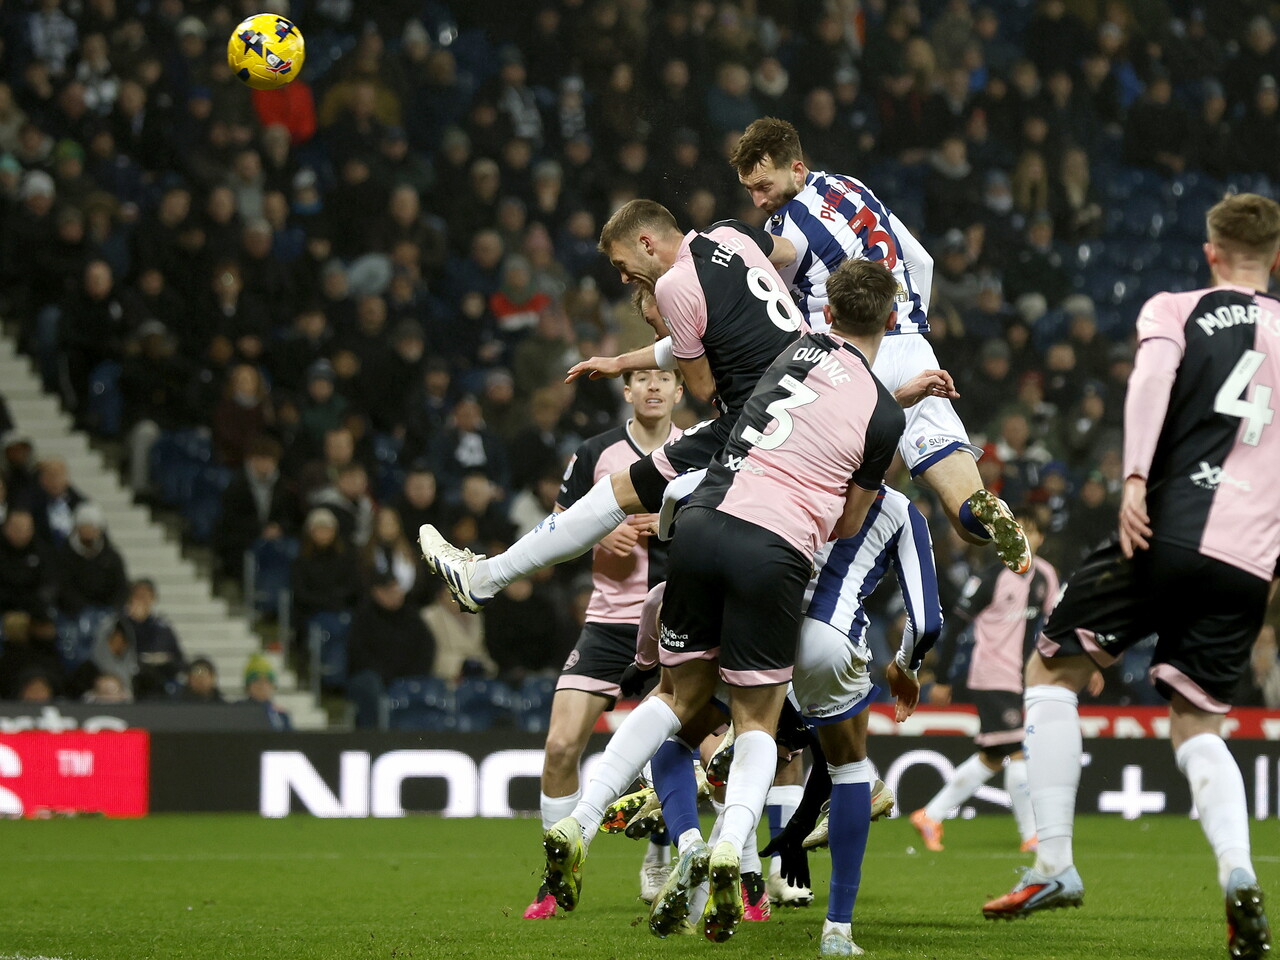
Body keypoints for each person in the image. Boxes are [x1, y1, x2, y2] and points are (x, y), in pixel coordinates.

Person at [540, 258, 912, 948]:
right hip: (773, 551)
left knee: (674, 697)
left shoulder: (792, 350)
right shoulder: (884, 414)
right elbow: (850, 523)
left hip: (703, 524)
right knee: (756, 719)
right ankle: (730, 844)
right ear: (891, 320)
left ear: (827, 313)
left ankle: (580, 819)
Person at [979, 194, 1280, 960]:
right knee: (1200, 724)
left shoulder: (1177, 307)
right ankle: (1239, 873)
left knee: (1051, 668)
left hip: (1169, 527)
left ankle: (1054, 863)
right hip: (1251, 557)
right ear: (1276, 258)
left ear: (1211, 252)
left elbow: (1148, 383)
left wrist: (1136, 478)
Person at [419, 199, 805, 612]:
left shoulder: (674, 285)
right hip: (811, 389)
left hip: (758, 422)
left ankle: (484, 579)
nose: (622, 277)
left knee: (623, 493)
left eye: (621, 263)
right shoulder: (729, 233)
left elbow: (702, 386)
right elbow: (788, 251)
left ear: (646, 243)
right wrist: (622, 362)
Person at [727, 117, 1031, 575]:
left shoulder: (785, 228)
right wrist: (909, 321)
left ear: (796, 168)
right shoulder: (851, 187)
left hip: (845, 363)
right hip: (910, 345)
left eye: (763, 186)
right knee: (953, 483)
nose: (758, 200)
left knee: (808, 479)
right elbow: (919, 258)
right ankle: (979, 512)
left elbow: (773, 286)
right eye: (750, 189)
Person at [524, 361, 684, 920]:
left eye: (664, 378)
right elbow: (555, 530)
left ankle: (661, 854)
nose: (653, 385)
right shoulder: (595, 452)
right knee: (560, 747)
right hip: (610, 623)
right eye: (642, 379)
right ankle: (556, 875)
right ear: (627, 390)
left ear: (679, 390)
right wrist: (601, 529)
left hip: (676, 622)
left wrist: (670, 524)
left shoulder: (702, 449)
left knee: (674, 751)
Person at [911, 511, 1060, 854]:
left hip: (1021, 678)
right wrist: (943, 678)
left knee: (992, 756)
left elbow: (1056, 625)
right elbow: (955, 628)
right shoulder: (989, 577)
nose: (1024, 538)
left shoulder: (1046, 575)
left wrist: (1080, 663)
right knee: (1018, 751)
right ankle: (1031, 836)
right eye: (1017, 530)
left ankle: (930, 816)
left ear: (1040, 538)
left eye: (1031, 531)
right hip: (992, 675)